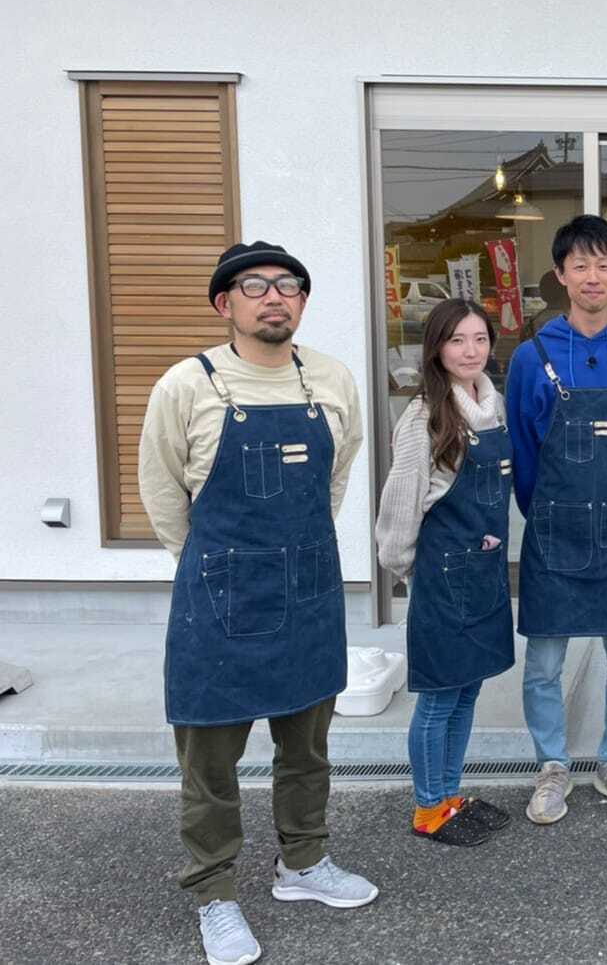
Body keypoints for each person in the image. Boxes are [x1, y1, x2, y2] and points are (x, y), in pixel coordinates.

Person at [138, 241, 377, 965]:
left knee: (307, 749)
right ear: (225, 303)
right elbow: (162, 493)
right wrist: (215, 567)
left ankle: (302, 863)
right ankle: (214, 894)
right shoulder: (187, 384)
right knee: (210, 763)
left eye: (288, 285)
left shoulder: (331, 379)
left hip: (309, 591)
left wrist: (293, 553)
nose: (274, 296)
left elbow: (336, 478)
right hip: (220, 597)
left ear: (302, 301)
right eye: (254, 286)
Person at [505, 215, 607, 824]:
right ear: (560, 275)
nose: (592, 276)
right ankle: (552, 765)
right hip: (554, 530)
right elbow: (522, 451)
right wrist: (554, 510)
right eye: (580, 265)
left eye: (604, 265)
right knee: (544, 663)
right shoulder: (532, 357)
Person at [375, 299, 516, 846]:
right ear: (436, 348)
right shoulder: (424, 417)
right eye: (457, 340)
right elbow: (400, 503)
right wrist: (409, 567)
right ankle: (428, 805)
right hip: (442, 575)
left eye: (479, 339)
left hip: (483, 572)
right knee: (438, 697)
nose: (470, 350)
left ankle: (451, 794)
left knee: (467, 690)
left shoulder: (492, 407)